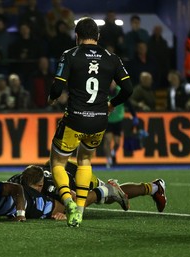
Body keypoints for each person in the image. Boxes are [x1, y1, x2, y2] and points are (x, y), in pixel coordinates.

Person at [47, 17, 133, 227]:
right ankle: (81, 210)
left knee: (58, 162)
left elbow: (58, 87)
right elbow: (128, 89)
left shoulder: (70, 55)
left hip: (75, 118)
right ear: (98, 37)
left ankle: (68, 201)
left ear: (77, 36)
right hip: (99, 121)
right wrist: (112, 104)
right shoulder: (111, 57)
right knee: (85, 160)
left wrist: (52, 97)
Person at [8, 161, 167, 213]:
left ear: (40, 184)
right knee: (111, 197)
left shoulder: (51, 186)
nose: (30, 193)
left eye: (34, 189)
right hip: (60, 167)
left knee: (79, 205)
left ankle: (153, 187)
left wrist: (57, 211)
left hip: (77, 175)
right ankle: (154, 187)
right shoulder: (18, 180)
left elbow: (75, 200)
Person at [104, 81, 139, 169]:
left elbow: (129, 104)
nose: (111, 84)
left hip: (118, 120)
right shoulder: (103, 91)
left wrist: (134, 116)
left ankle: (113, 153)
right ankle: (108, 160)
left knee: (117, 143)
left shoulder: (121, 91)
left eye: (113, 83)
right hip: (107, 120)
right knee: (108, 140)